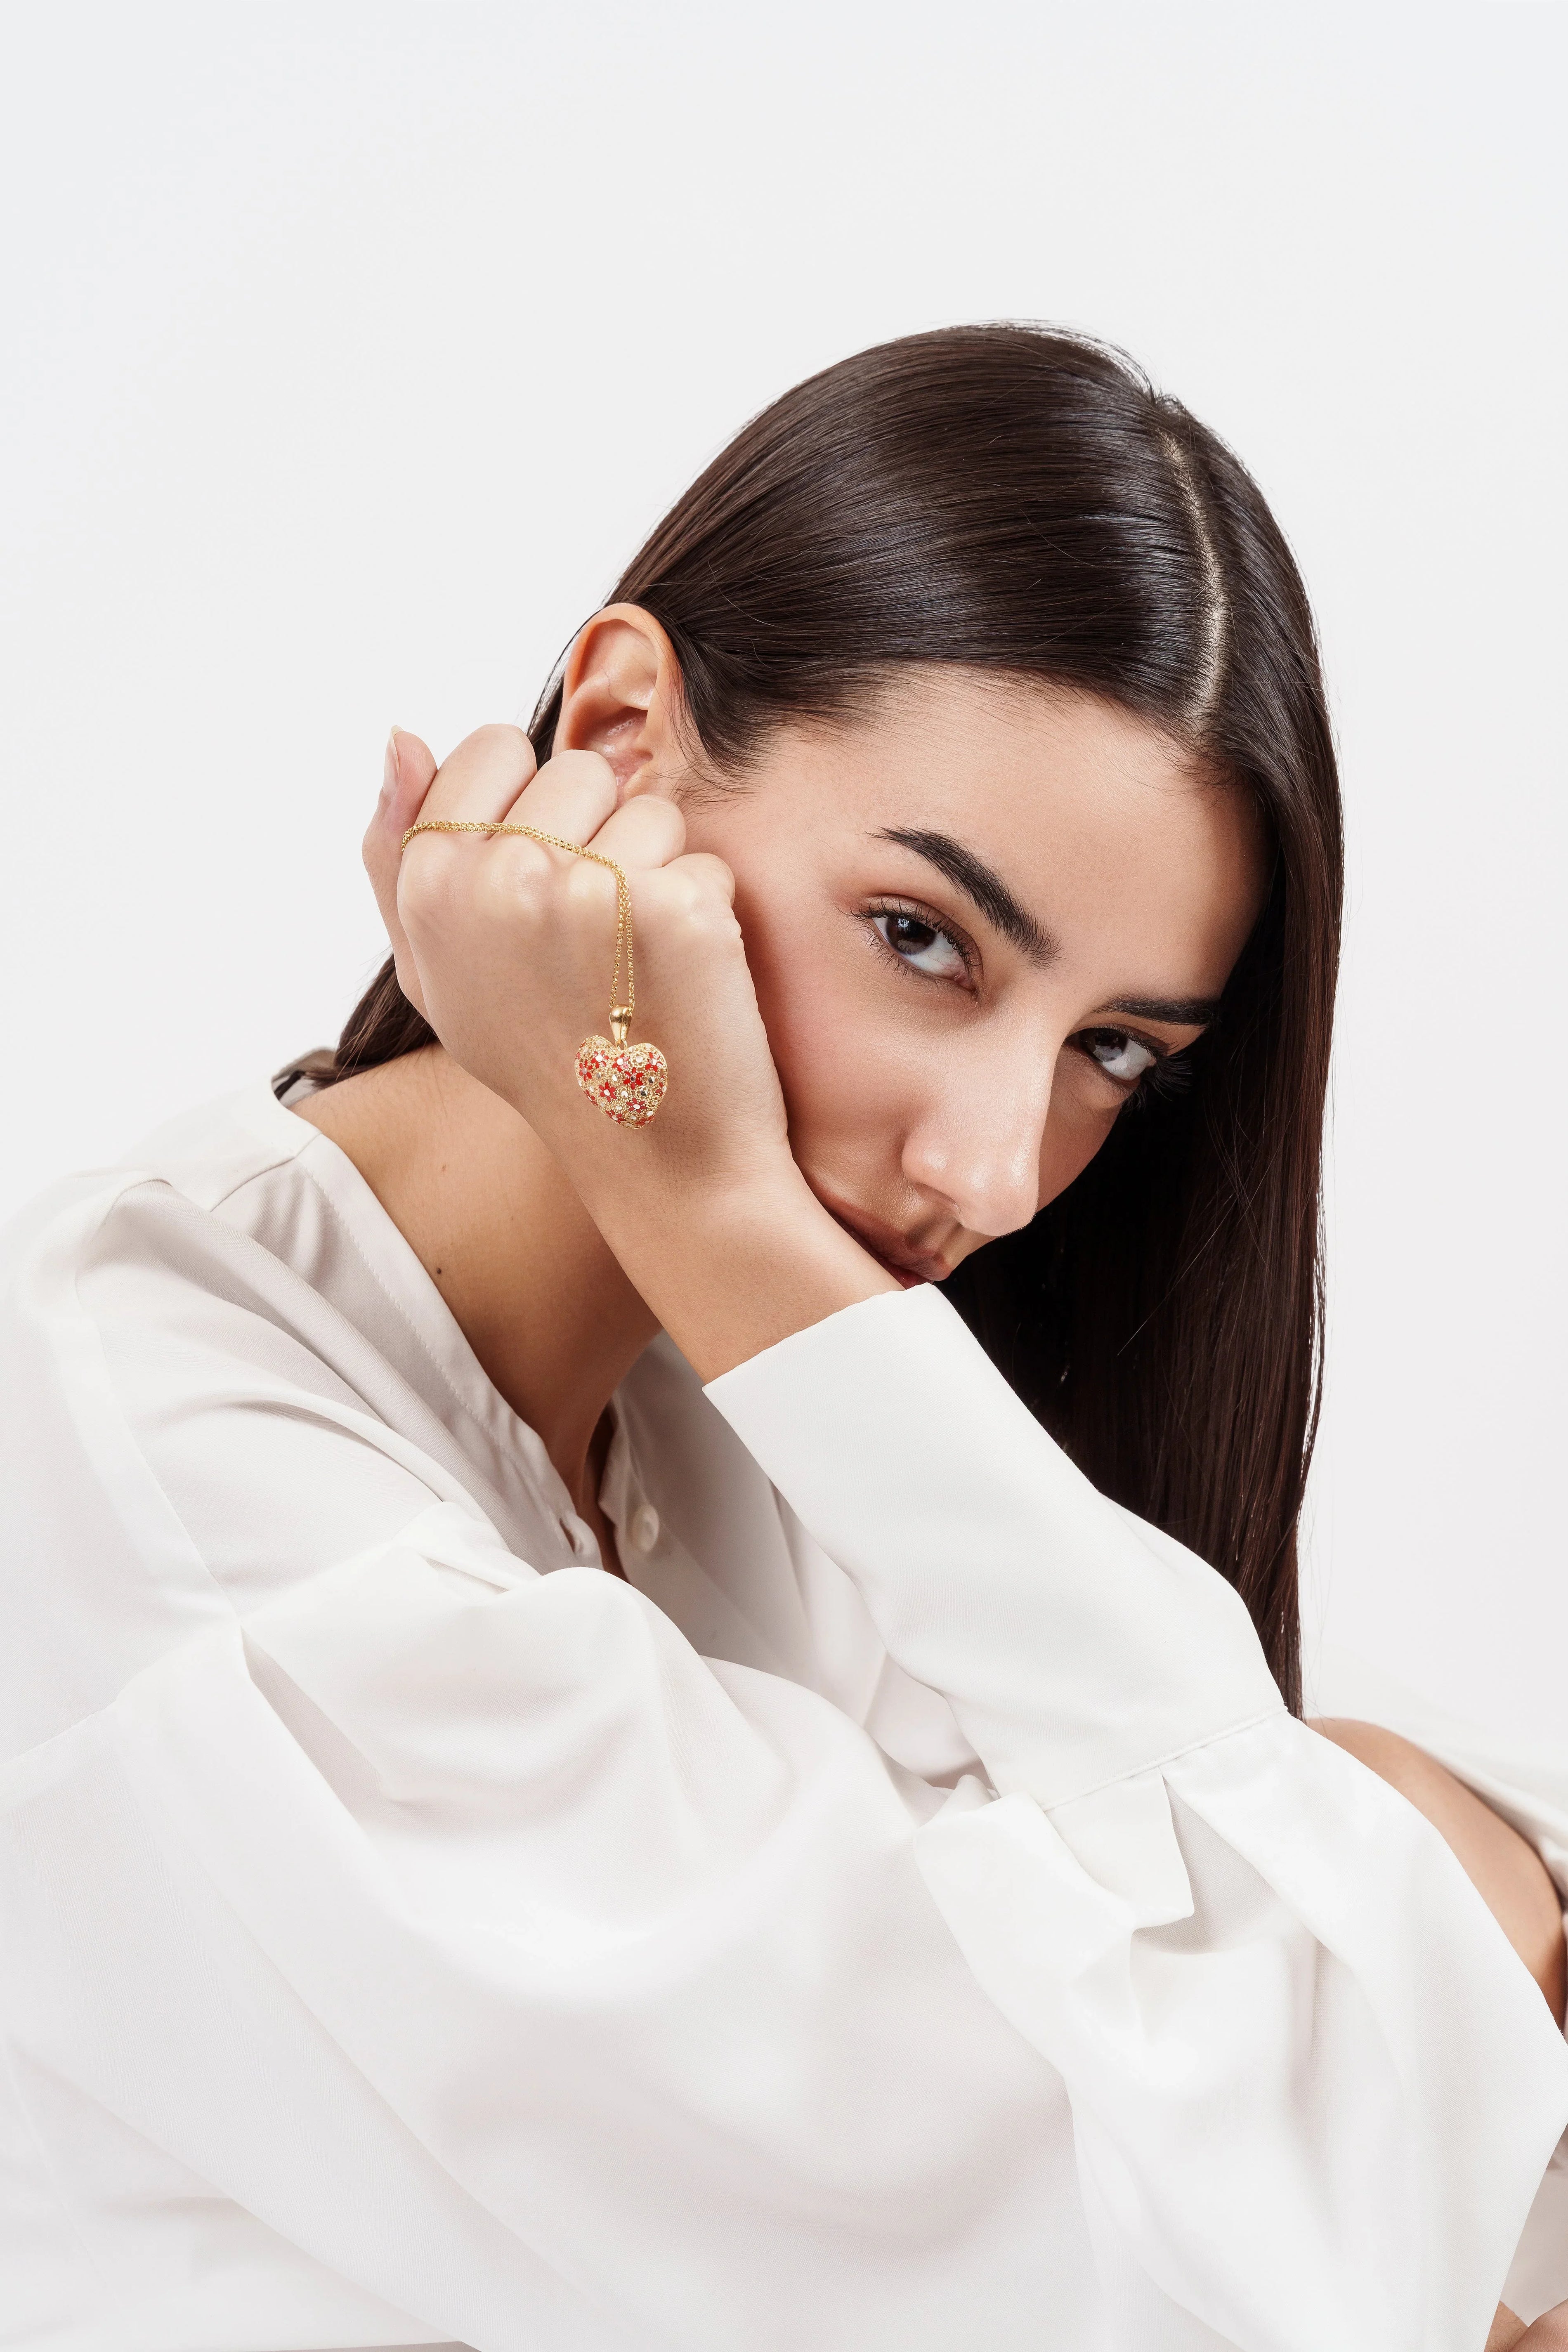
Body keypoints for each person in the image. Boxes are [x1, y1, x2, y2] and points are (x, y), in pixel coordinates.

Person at [1, 326, 1564, 2351]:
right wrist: (715, 1201)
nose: (997, 1170)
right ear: (621, 735)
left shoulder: (742, 1430)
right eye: (921, 939)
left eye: (1111, 1052)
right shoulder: (189, 1491)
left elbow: (1322, 2110)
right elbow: (1245, 2257)